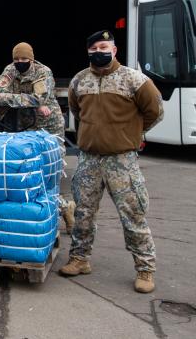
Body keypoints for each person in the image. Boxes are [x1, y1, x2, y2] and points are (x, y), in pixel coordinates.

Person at [59, 30, 163, 294]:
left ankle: (145, 268)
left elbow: (155, 111)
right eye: (93, 48)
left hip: (121, 161)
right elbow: (76, 111)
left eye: (104, 46)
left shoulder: (134, 80)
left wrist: (132, 134)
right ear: (88, 52)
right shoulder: (79, 81)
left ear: (114, 50)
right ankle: (80, 259)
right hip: (89, 159)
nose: (98, 52)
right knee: (83, 213)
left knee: (133, 215)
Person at [0, 42, 76, 233]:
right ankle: (51, 213)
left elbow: (38, 99)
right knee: (26, 176)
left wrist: (9, 99)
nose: (20, 63)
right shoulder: (10, 70)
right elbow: (0, 90)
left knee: (46, 176)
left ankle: (62, 209)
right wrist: (23, 100)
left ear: (32, 59)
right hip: (25, 128)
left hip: (48, 128)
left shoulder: (42, 72)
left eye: (24, 59)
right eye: (17, 59)